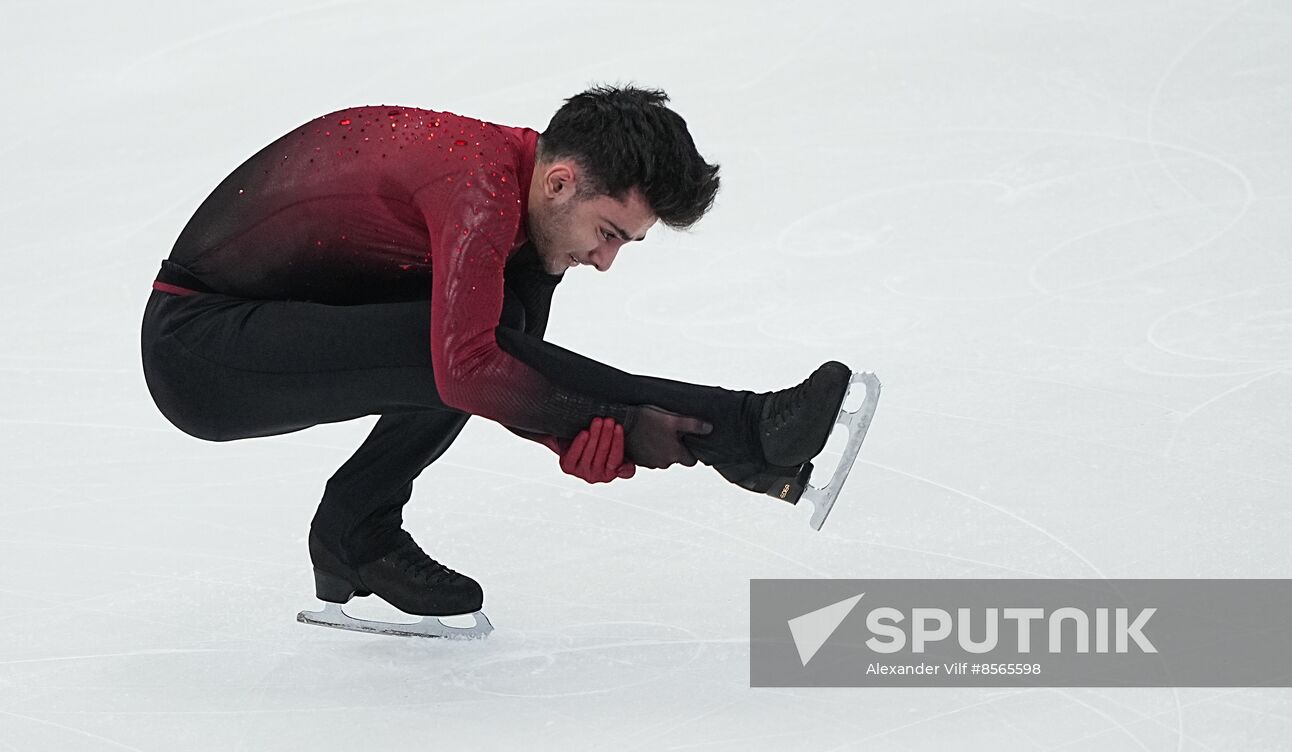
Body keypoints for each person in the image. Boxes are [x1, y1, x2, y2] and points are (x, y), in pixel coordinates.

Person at [140, 85, 868, 636]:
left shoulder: (529, 201)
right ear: (560, 183)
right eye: (609, 232)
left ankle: (354, 531)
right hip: (200, 346)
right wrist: (609, 420)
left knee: (494, 321)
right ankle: (746, 432)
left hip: (288, 314)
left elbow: (521, 365)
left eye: (626, 244)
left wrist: (579, 433)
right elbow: (469, 371)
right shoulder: (481, 189)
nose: (606, 261)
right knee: (459, 345)